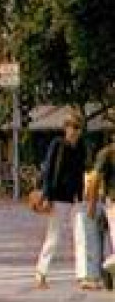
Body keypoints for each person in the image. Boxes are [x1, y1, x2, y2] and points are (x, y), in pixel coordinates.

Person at [34, 115, 89, 289]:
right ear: (66, 128)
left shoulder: (80, 147)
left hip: (76, 199)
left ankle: (82, 276)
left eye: (78, 127)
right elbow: (49, 170)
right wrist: (48, 196)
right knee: (54, 236)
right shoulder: (57, 145)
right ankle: (41, 272)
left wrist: (81, 197)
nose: (75, 131)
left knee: (81, 236)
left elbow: (81, 173)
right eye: (72, 127)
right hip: (58, 198)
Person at [87, 139, 115, 289]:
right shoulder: (106, 154)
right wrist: (91, 204)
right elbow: (94, 179)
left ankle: (107, 270)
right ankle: (105, 270)